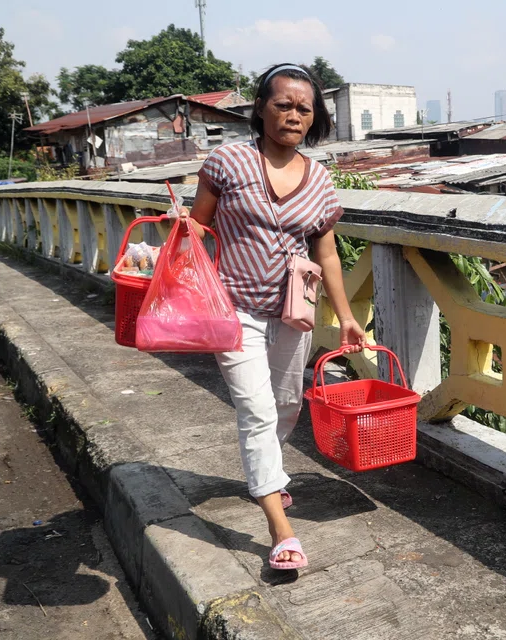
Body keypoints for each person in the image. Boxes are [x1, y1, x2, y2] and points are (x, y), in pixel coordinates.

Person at [183, 63, 367, 571]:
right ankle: (280, 531)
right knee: (258, 411)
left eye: (304, 108)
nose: (293, 115)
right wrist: (178, 239)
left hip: (294, 312)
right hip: (231, 310)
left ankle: (267, 474)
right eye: (282, 104)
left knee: (287, 404)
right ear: (260, 109)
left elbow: (326, 254)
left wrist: (347, 317)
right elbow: (199, 225)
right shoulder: (228, 162)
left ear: (315, 118)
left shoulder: (320, 180)